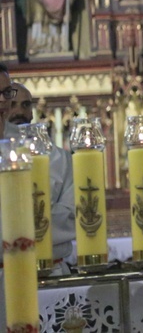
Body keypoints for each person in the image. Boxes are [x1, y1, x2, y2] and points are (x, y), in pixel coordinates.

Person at [0, 75, 76, 330]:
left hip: (52, 276)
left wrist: (14, 223)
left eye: (25, 104)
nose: (17, 111)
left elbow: (73, 217)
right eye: (12, 101)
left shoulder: (59, 159)